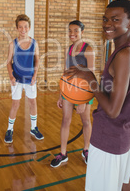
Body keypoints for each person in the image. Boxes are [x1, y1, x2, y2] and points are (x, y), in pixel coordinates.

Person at [65, 0, 130, 191]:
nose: (107, 24)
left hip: (109, 137)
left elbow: (113, 110)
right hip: (123, 134)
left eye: (115, 19)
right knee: (124, 183)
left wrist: (90, 78)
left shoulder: (123, 55)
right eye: (105, 19)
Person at [50, 20, 95, 168]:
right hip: (69, 91)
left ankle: (86, 150)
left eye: (76, 30)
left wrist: (83, 100)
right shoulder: (67, 49)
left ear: (82, 32)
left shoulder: (88, 50)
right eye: (70, 30)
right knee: (65, 120)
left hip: (84, 92)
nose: (72, 33)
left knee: (86, 121)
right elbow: (65, 74)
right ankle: (63, 154)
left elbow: (91, 75)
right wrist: (60, 94)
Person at [4, 14, 44, 143]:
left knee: (33, 102)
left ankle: (33, 128)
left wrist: (35, 76)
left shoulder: (34, 43)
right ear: (17, 28)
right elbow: (8, 62)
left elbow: (37, 61)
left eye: (25, 27)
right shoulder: (13, 44)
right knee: (15, 104)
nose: (23, 29)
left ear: (29, 27)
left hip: (30, 78)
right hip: (17, 78)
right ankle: (9, 129)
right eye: (20, 27)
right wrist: (11, 76)